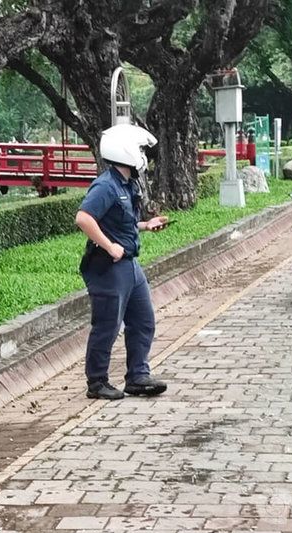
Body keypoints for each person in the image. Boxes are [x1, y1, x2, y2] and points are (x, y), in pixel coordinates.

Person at [74, 124, 170, 400]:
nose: (143, 155)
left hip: (129, 264)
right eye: (140, 150)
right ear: (125, 150)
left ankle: (138, 376)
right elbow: (84, 218)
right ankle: (97, 383)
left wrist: (145, 225)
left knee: (143, 320)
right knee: (107, 325)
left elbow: (120, 222)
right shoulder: (106, 185)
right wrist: (109, 246)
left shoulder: (127, 184)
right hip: (108, 266)